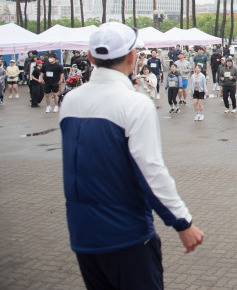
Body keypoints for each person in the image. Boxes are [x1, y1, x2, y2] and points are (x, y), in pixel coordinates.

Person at [60, 22, 203, 289]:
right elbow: (150, 171)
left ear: (90, 57)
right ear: (131, 56)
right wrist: (182, 222)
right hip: (126, 235)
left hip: (83, 236)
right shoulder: (135, 104)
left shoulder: (70, 100)